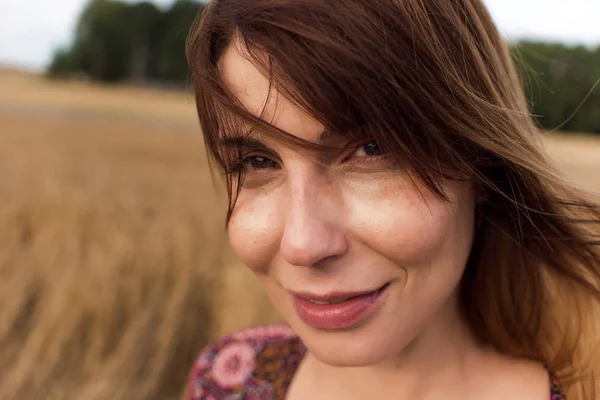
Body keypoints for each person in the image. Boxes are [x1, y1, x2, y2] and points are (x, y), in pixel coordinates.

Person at [184, 0, 600, 399]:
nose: (303, 245)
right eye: (257, 161)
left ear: (481, 165)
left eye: (372, 150)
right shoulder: (227, 379)